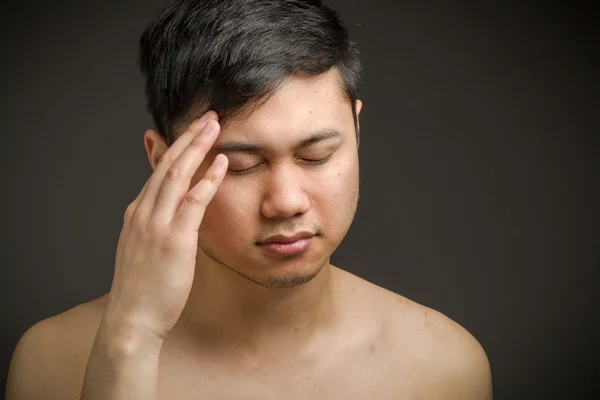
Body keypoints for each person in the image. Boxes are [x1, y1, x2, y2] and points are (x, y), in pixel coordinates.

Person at [6, 0, 493, 399]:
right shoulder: (54, 362)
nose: (285, 202)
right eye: (240, 165)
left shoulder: (443, 366)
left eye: (317, 155)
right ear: (162, 159)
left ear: (357, 130)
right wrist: (129, 341)